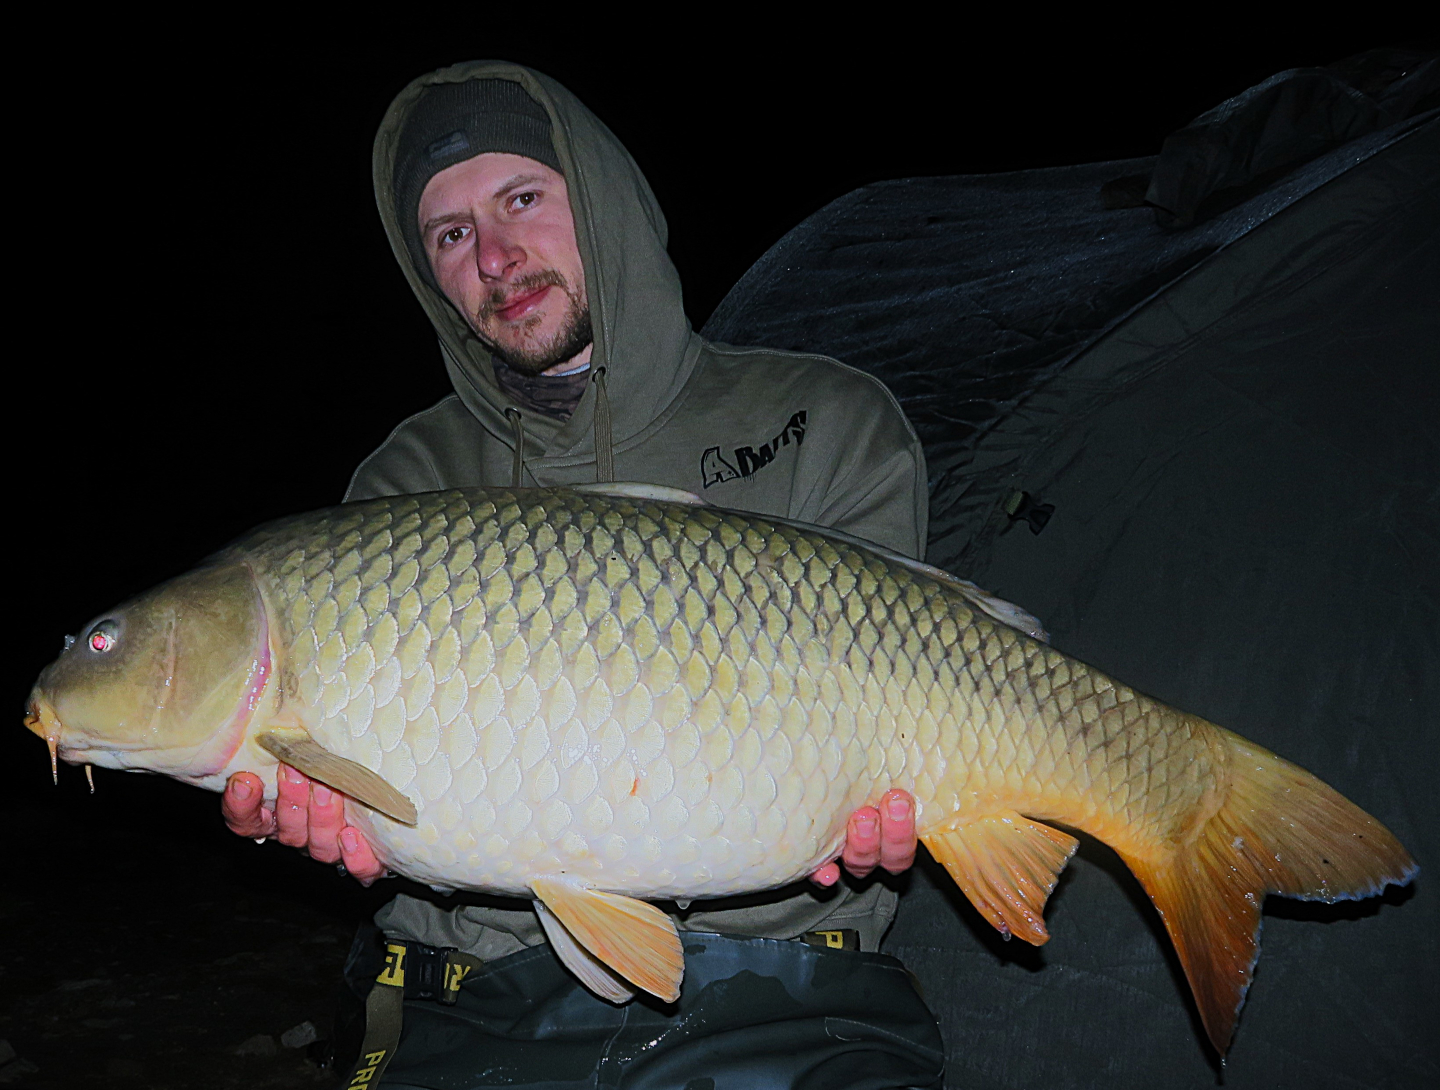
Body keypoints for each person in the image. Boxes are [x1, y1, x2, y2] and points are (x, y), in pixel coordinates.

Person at [223, 61, 942, 1088]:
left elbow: (921, 696)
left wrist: (897, 812)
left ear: (600, 203)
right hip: (472, 986)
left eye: (522, 199)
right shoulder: (407, 482)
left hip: (786, 988)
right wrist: (335, 829)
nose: (496, 255)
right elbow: (378, 801)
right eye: (452, 234)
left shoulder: (826, 422)